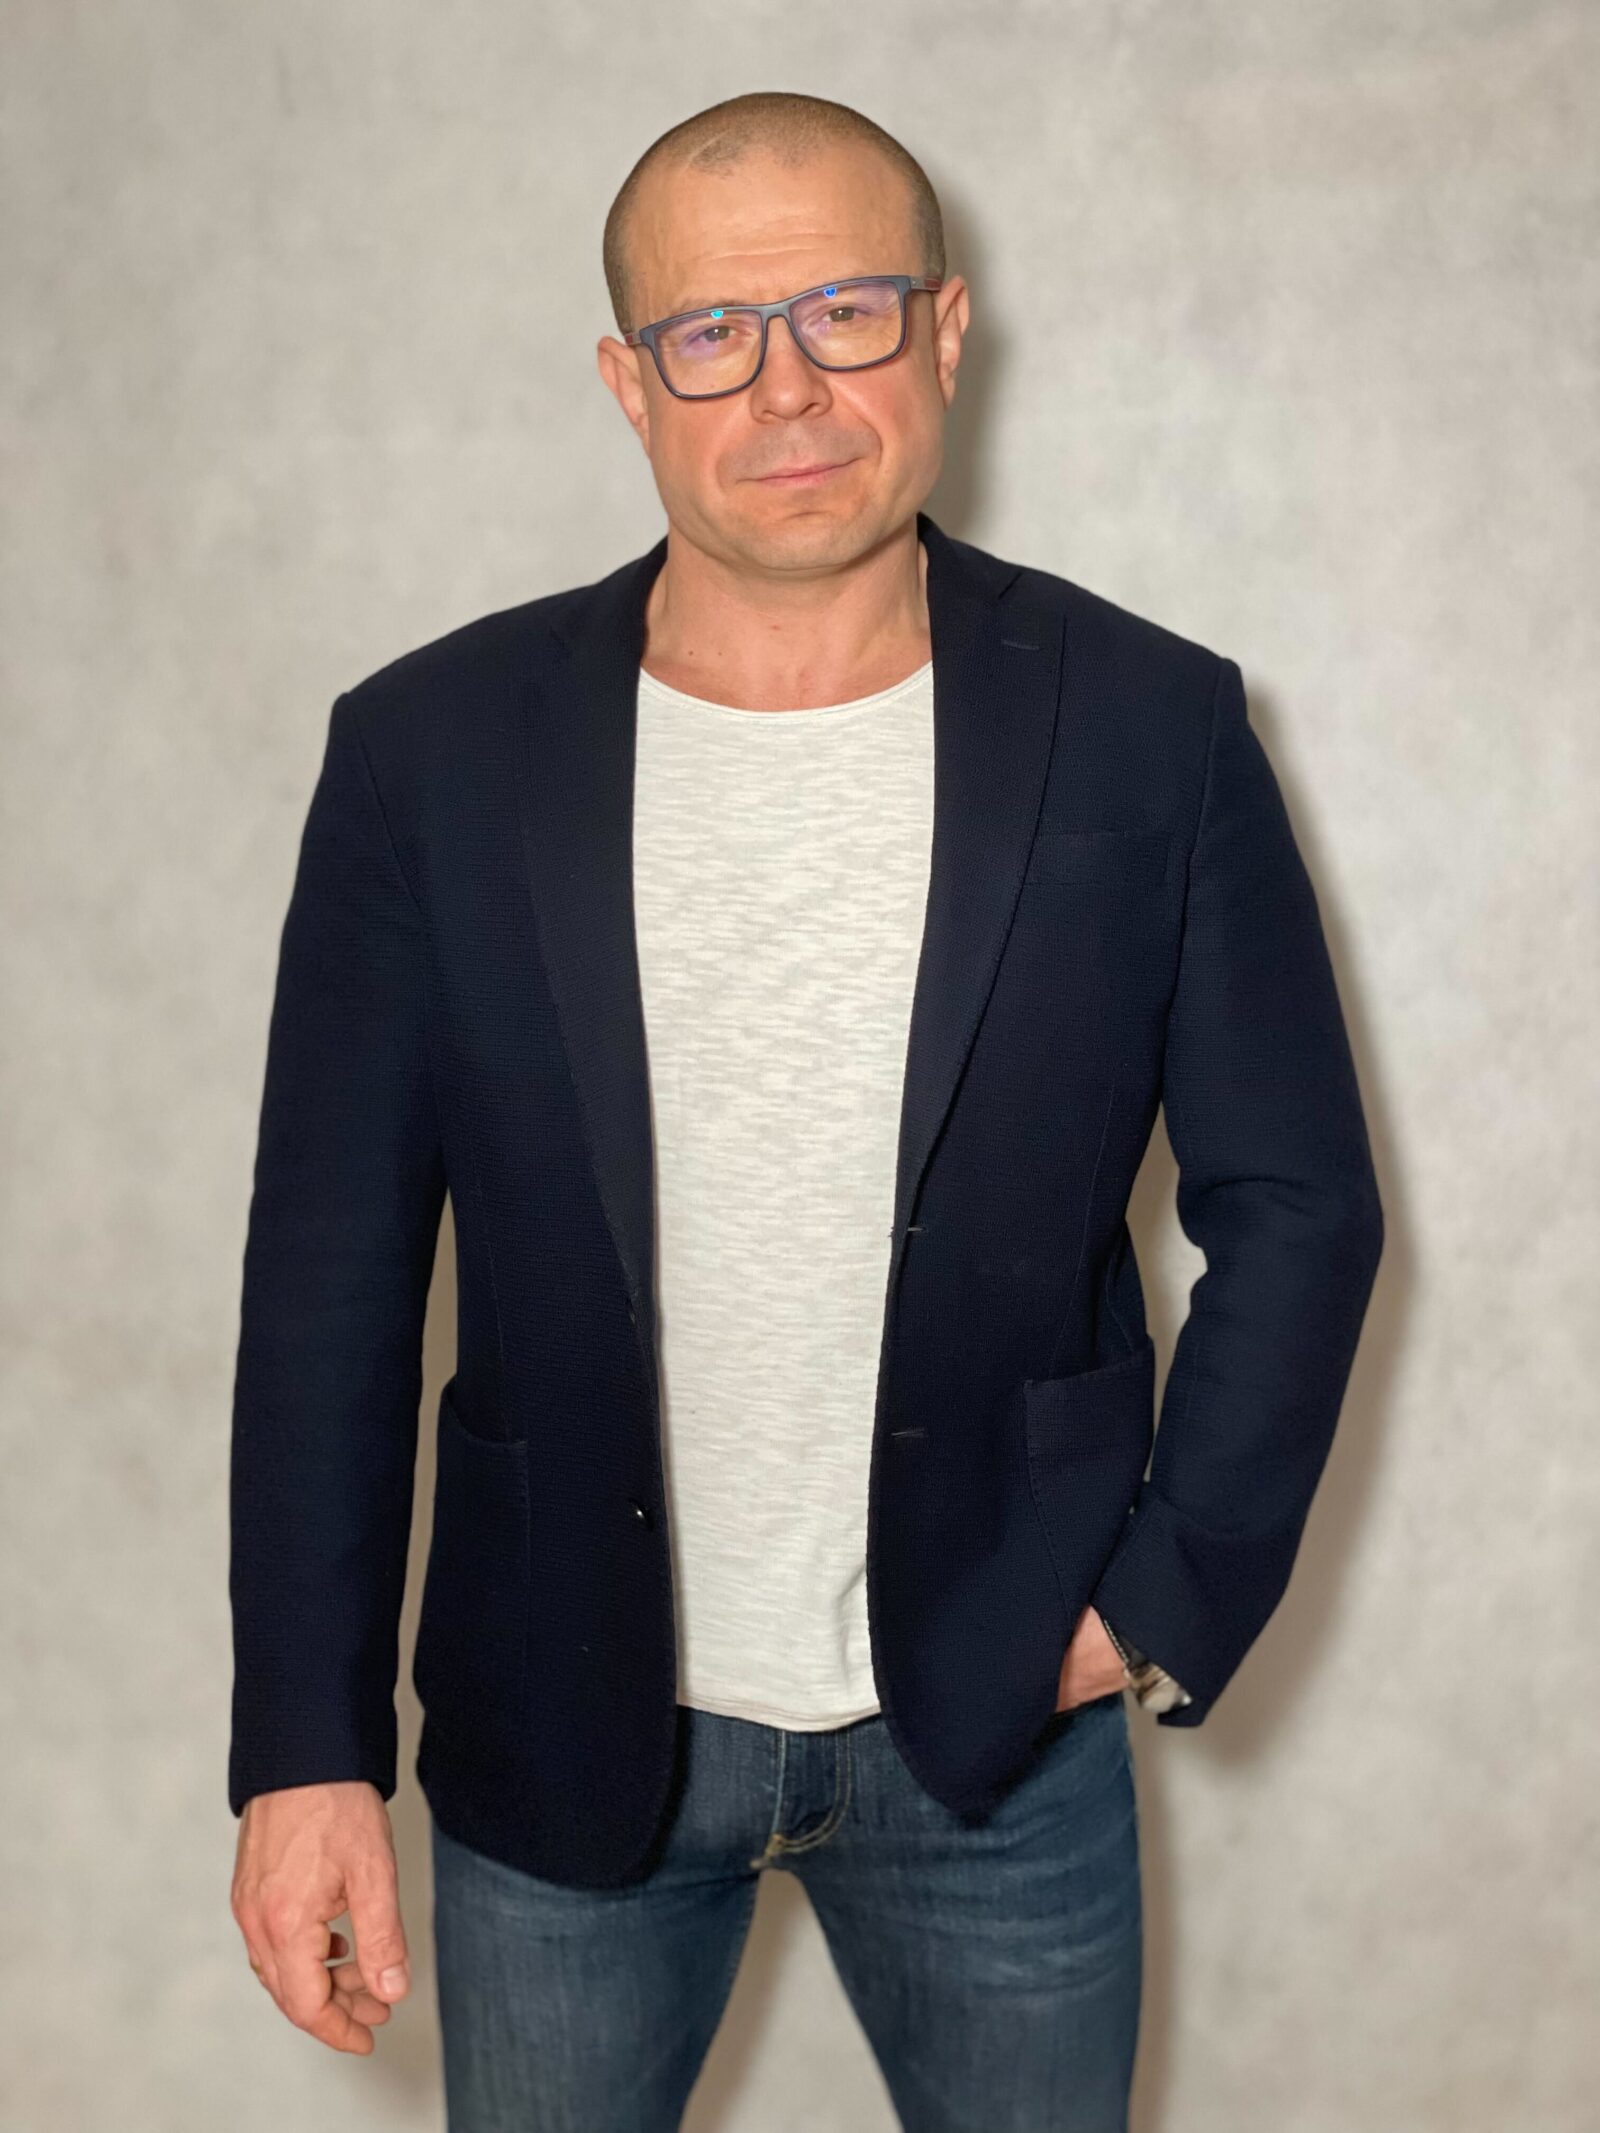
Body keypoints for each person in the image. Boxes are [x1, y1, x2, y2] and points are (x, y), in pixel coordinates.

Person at [228, 89, 1383, 2132]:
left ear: (943, 331)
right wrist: (304, 1746)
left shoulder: (1151, 724)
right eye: (712, 332)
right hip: (561, 1716)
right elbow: (328, 1278)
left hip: (997, 1731)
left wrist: (1150, 1600)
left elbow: (1297, 1200)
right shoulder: (428, 754)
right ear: (629, 383)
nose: (784, 386)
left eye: (844, 310)